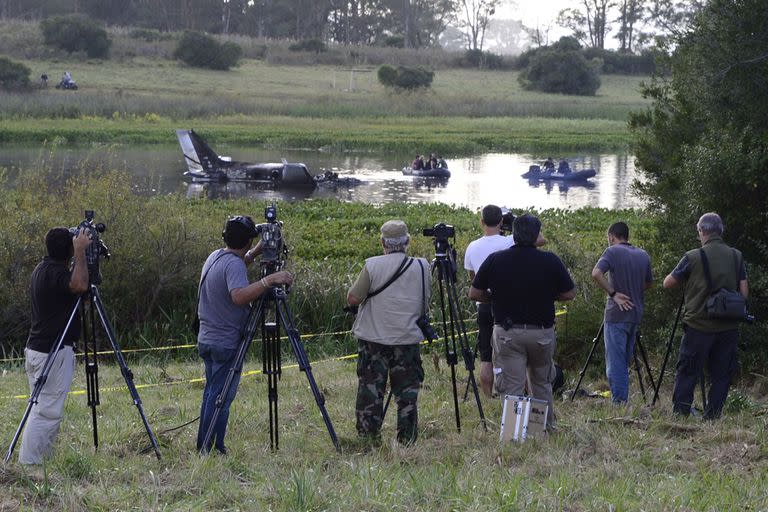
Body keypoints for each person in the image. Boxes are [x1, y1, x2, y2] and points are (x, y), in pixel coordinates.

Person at [196, 215, 293, 454]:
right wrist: (269, 281)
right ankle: (210, 448)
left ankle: (207, 445)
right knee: (221, 398)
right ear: (248, 240)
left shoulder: (216, 256)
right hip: (224, 342)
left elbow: (239, 263)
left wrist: (258, 250)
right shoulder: (234, 265)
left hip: (207, 338)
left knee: (211, 393)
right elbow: (238, 295)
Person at [469, 214, 575, 428]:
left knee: (511, 387)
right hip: (542, 333)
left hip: (508, 333)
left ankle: (513, 432)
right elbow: (569, 293)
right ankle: (541, 428)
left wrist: (493, 297)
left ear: (513, 235)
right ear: (536, 236)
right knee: (541, 384)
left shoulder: (496, 259)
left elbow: (474, 293)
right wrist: (548, 296)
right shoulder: (550, 260)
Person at [347, 220, 430, 445]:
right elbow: (425, 302)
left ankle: (368, 438)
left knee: (371, 391)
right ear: (408, 242)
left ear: (383, 242)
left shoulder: (372, 265)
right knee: (407, 395)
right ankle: (407, 440)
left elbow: (353, 298)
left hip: (373, 339)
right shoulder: (422, 266)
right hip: (408, 339)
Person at [663, 212, 748, 419]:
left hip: (698, 326)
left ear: (702, 232)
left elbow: (668, 283)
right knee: (721, 375)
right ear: (721, 231)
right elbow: (744, 292)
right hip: (728, 327)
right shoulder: (736, 256)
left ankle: (681, 413)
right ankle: (713, 416)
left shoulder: (693, 256)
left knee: (688, 371)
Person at [18, 227, 90, 464]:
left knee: (42, 407)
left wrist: (76, 252)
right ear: (69, 249)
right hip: (53, 352)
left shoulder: (43, 269)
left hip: (39, 349)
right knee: (47, 412)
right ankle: (30, 464)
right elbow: (79, 285)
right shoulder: (57, 274)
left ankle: (41, 459)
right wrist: (80, 253)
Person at [591, 222, 653, 403]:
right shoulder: (643, 255)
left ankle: (619, 404)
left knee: (615, 364)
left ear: (611, 236)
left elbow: (596, 273)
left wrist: (614, 294)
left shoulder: (612, 252)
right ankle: (622, 399)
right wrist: (633, 289)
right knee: (624, 362)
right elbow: (648, 283)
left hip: (616, 315)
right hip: (635, 314)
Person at [463, 205, 516, 397]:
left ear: (482, 222)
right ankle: (513, 393)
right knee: (512, 354)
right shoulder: (509, 241)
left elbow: (472, 279)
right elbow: (539, 239)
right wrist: (515, 223)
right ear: (501, 222)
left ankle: (487, 397)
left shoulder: (472, 246)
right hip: (507, 305)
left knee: (486, 355)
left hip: (484, 305)